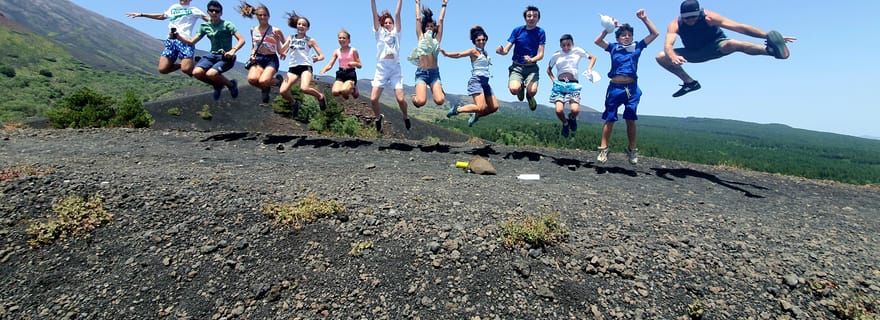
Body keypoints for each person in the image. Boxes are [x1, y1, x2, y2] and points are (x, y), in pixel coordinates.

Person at [656, 0, 796, 97]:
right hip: (694, 52)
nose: (690, 21)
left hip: (717, 46)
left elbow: (740, 28)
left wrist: (768, 36)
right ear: (682, 16)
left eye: (693, 17)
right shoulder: (675, 24)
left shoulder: (710, 18)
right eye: (686, 18)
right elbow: (668, 45)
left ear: (699, 13)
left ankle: (770, 51)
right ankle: (690, 83)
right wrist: (673, 56)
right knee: (661, 56)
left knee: (733, 43)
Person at [593, 9, 659, 165]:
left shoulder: (637, 47)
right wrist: (608, 28)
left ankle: (631, 149)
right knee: (610, 119)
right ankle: (603, 149)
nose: (627, 37)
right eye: (623, 35)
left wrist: (644, 19)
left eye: (629, 35)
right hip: (615, 87)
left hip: (632, 88)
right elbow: (597, 41)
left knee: (630, 118)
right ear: (618, 37)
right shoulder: (614, 47)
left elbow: (654, 34)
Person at [180, 0, 245, 101]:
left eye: (217, 11)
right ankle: (217, 85)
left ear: (221, 13)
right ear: (208, 12)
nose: (214, 13)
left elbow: (242, 40)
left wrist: (233, 50)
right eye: (211, 10)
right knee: (196, 72)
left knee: (211, 74)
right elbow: (192, 41)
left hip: (226, 57)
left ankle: (231, 85)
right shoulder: (204, 26)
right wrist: (177, 36)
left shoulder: (227, 24)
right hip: (212, 55)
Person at [126, 0, 207, 76]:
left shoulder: (194, 10)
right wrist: (142, 14)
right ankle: (183, 64)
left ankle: (196, 63)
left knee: (186, 70)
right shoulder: (173, 7)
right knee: (163, 69)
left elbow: (209, 20)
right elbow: (162, 16)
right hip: (171, 41)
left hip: (185, 41)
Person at [441, 26, 498, 127]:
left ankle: (476, 116)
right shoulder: (473, 51)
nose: (481, 42)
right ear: (474, 42)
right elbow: (459, 54)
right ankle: (457, 110)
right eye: (478, 40)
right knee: (481, 107)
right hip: (477, 81)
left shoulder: (485, 53)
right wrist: (447, 54)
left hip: (485, 83)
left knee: (494, 107)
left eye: (483, 39)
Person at [370, 0, 410, 132]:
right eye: (385, 23)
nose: (387, 24)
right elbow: (374, 13)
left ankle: (405, 116)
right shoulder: (379, 32)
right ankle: (378, 118)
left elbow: (397, 13)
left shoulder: (396, 33)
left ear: (393, 24)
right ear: (382, 24)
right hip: (381, 68)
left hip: (394, 69)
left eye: (390, 22)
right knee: (373, 99)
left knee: (400, 98)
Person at [496, 6, 545, 111]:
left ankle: (529, 96)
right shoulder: (517, 31)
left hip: (532, 68)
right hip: (517, 67)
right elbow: (506, 50)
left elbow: (541, 54)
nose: (532, 18)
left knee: (532, 90)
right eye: (529, 16)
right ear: (525, 18)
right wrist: (501, 52)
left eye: (535, 16)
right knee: (514, 89)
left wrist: (532, 59)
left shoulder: (540, 32)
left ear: (538, 19)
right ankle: (520, 89)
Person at [546, 34, 595, 138]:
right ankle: (565, 123)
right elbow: (548, 70)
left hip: (573, 84)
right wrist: (554, 80)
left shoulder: (577, 51)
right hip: (560, 84)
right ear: (560, 45)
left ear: (572, 44)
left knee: (575, 110)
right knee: (559, 110)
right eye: (563, 45)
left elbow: (592, 57)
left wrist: (589, 69)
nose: (566, 47)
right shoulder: (556, 55)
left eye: (568, 45)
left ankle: (572, 118)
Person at [278, 11, 326, 114]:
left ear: (307, 28)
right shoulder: (291, 38)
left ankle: (320, 96)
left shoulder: (310, 40)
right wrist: (277, 40)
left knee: (304, 88)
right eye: (299, 24)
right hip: (293, 67)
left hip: (305, 66)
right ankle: (294, 102)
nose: (301, 26)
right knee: (282, 91)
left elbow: (322, 56)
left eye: (304, 25)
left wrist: (317, 59)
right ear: (296, 25)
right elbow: (281, 51)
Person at [238, 1, 285, 104]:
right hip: (258, 58)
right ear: (256, 16)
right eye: (260, 15)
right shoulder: (253, 30)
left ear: (269, 16)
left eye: (265, 15)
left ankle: (278, 81)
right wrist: (251, 55)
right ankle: (265, 89)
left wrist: (282, 51)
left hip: (271, 59)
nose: (263, 17)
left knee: (264, 80)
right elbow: (253, 46)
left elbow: (286, 44)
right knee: (252, 79)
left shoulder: (275, 30)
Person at [408, 0, 447, 109]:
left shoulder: (437, 40)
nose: (429, 28)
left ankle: (439, 89)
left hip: (434, 74)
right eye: (427, 26)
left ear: (434, 29)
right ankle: (414, 97)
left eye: (431, 26)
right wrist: (417, 4)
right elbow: (418, 19)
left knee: (440, 101)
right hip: (422, 74)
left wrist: (444, 5)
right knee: (420, 102)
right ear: (424, 28)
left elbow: (441, 20)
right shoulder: (420, 37)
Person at [319, 30, 363, 100]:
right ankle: (347, 93)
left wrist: (354, 63)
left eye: (344, 38)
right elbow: (330, 64)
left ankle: (354, 88)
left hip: (350, 73)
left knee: (344, 91)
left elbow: (360, 65)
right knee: (335, 92)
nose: (341, 40)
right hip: (341, 73)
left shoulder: (353, 50)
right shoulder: (337, 51)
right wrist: (324, 69)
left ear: (349, 40)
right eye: (340, 38)